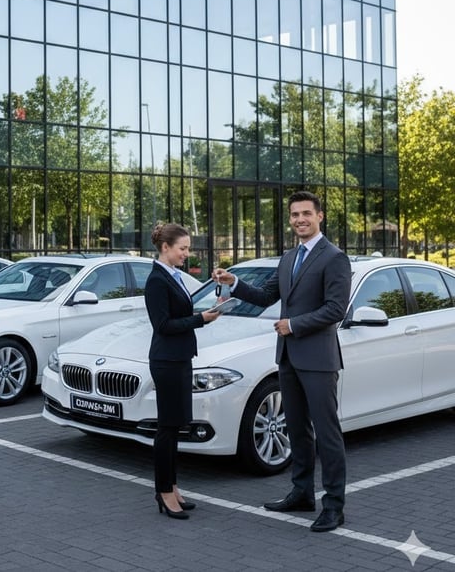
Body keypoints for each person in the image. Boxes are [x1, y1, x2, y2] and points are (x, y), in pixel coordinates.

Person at [213, 191, 351, 532]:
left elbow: (336, 309)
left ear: (320, 217)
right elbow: (264, 296)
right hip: (287, 357)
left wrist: (293, 324)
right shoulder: (289, 257)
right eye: (294, 215)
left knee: (327, 434)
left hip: (318, 359)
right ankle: (302, 493)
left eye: (306, 213)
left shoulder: (334, 257)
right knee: (298, 432)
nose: (299, 219)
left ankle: (334, 505)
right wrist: (235, 283)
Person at [145, 222, 220, 520]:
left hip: (180, 359)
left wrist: (211, 310)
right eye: (183, 248)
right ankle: (163, 491)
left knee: (176, 426)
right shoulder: (157, 281)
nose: (187, 254)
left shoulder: (173, 276)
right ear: (166, 248)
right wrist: (201, 319)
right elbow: (162, 326)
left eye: (187, 248)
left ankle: (172, 486)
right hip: (166, 361)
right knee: (167, 428)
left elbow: (178, 315)